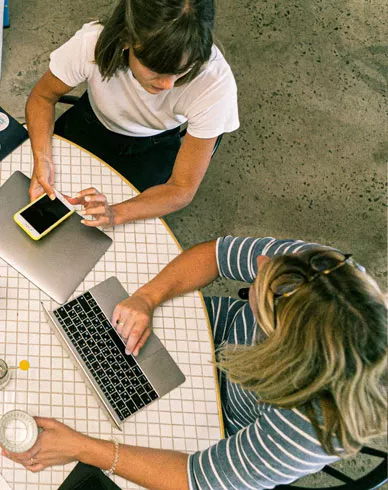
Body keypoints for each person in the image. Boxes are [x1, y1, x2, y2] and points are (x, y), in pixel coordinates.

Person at [1, 236, 387, 489]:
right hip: (205, 335)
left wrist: (82, 448)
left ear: (276, 349)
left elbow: (197, 478)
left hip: (217, 430)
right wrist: (148, 298)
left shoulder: (310, 431)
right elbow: (215, 254)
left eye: (267, 286)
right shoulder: (323, 274)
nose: (263, 260)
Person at [26, 0, 239, 228]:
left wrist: (115, 214)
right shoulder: (92, 42)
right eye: (155, 68)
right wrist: (43, 158)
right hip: (88, 124)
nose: (168, 84)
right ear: (126, 38)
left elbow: (182, 187)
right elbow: (42, 97)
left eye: (182, 70)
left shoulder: (214, 83)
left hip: (151, 150)